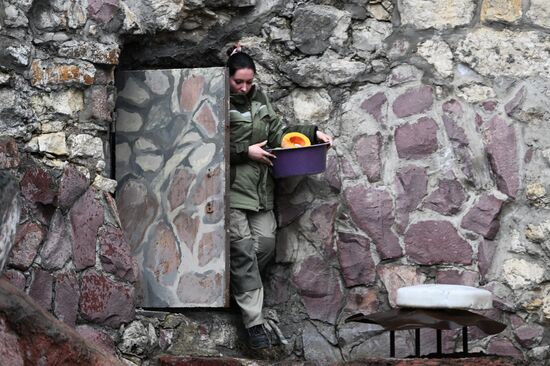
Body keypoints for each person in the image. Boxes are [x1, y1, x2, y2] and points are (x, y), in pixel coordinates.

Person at [226, 42, 333, 349]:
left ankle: (241, 292)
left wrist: (312, 133)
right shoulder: (215, 100)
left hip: (260, 191)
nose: (245, 87)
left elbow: (277, 133)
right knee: (243, 251)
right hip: (232, 191)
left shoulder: (260, 99)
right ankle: (254, 323)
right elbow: (207, 141)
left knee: (266, 245)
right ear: (227, 78)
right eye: (238, 82)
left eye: (249, 81)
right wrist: (245, 152)